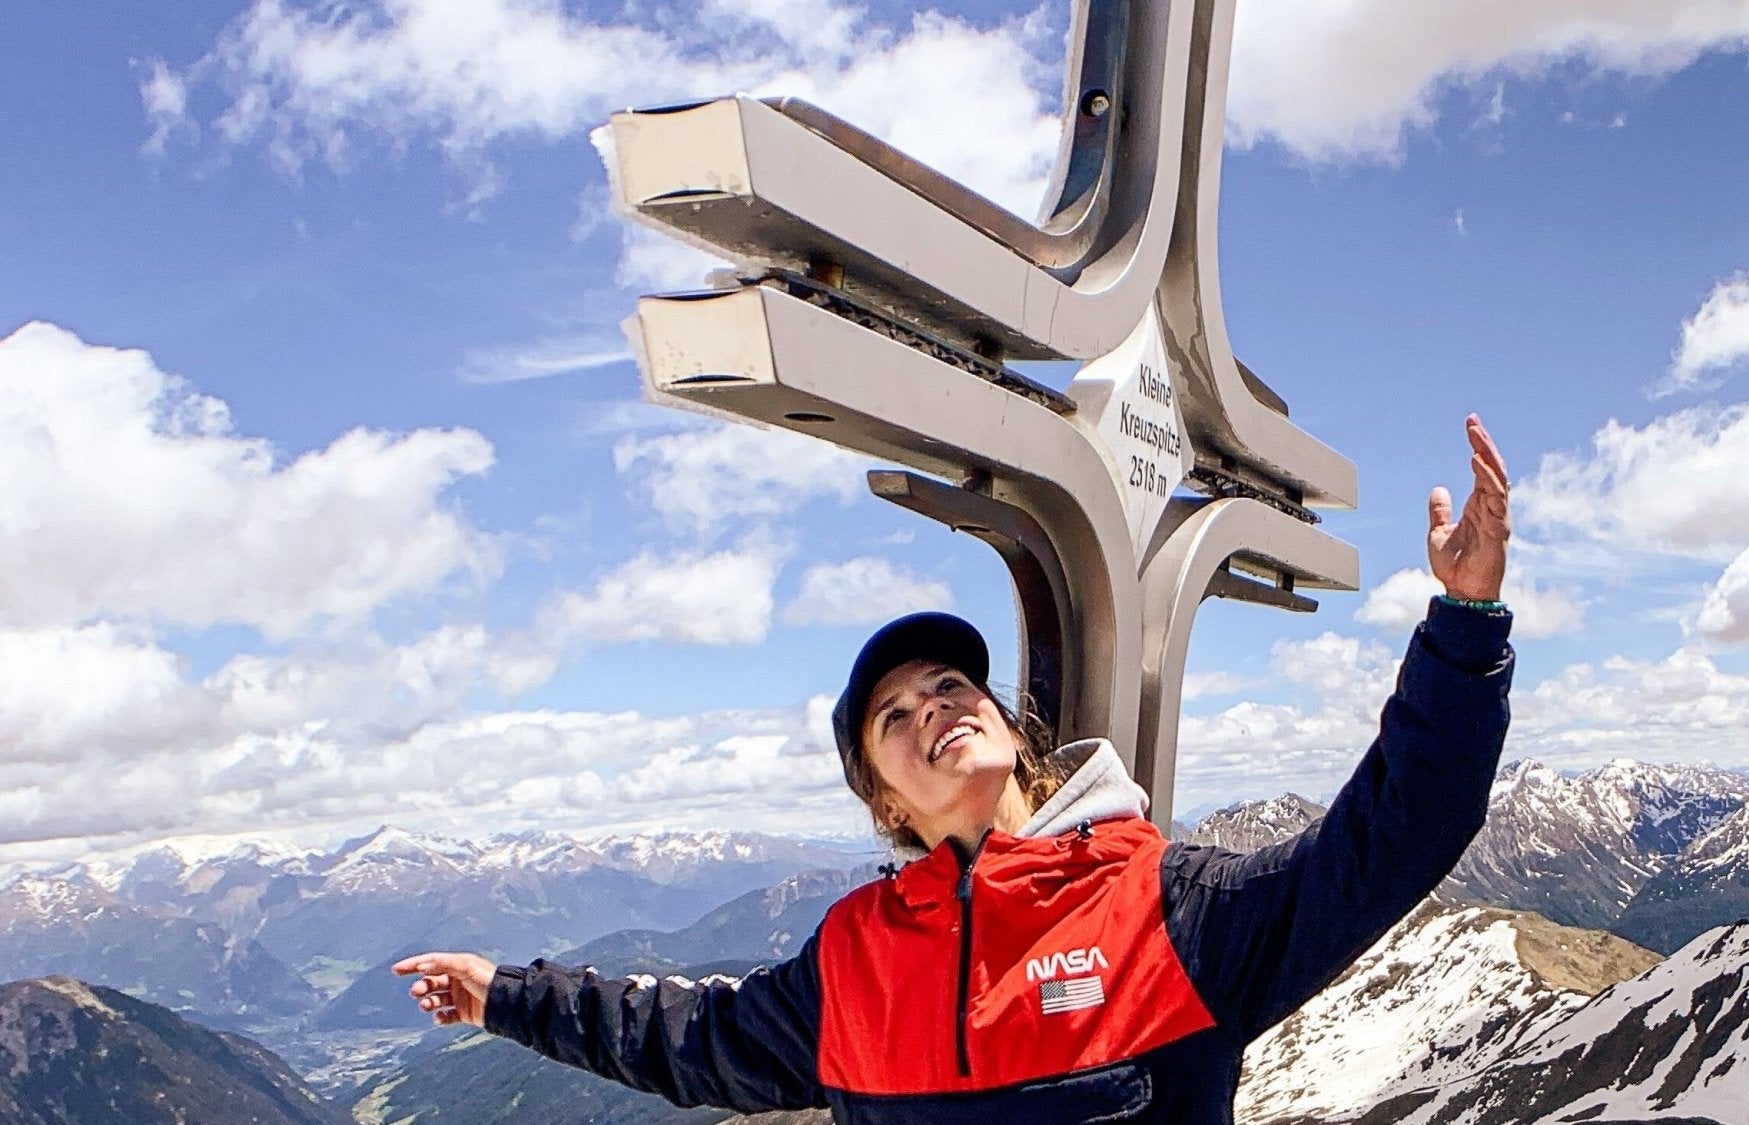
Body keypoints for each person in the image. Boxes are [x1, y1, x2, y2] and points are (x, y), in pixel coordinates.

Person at [394, 414, 1515, 1123]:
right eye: (893, 717)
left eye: (949, 691)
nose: (931, 711)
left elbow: (1396, 836)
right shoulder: (855, 961)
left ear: (1005, 724)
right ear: (886, 800)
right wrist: (506, 995)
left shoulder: (1166, 910)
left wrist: (1463, 622)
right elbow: (685, 1041)